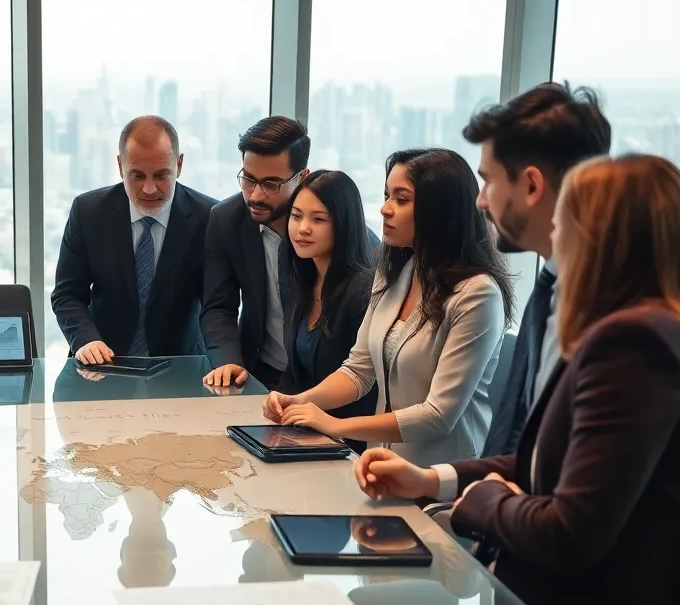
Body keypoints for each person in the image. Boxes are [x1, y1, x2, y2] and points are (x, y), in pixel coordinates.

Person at [293, 153, 680, 605]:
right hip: (532, 603)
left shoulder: (638, 349)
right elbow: (540, 466)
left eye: (566, 226)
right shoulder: (638, 335)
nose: (554, 242)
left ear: (609, 241)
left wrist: (481, 501)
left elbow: (569, 532)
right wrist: (433, 481)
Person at [262, 149, 513, 466]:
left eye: (401, 199)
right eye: (385, 195)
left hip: (443, 475)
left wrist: (335, 426)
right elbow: (358, 371)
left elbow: (439, 415)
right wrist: (299, 402)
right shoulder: (395, 270)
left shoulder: (477, 294)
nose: (384, 209)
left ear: (439, 210)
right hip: (379, 462)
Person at [466, 82, 611, 456]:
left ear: (531, 185)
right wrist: (434, 480)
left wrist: (470, 503)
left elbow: (573, 501)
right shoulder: (554, 288)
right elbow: (526, 454)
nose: (481, 202)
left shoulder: (610, 320)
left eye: (488, 181)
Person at [52, 116, 218, 362]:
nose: (149, 189)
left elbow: (217, 306)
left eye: (161, 175)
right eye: (137, 176)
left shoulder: (209, 218)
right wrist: (85, 340)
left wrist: (222, 358)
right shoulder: (88, 212)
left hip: (181, 366)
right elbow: (67, 295)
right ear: (120, 166)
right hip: (103, 364)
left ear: (179, 164)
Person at [201, 116, 311, 389]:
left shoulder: (328, 221)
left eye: (271, 184)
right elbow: (218, 306)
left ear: (302, 177)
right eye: (248, 179)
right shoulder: (226, 220)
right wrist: (227, 360)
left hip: (323, 376)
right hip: (260, 372)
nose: (255, 196)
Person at [278, 169, 380, 451]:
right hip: (303, 434)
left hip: (350, 442)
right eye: (296, 216)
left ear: (343, 224)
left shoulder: (363, 288)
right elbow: (295, 368)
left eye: (318, 219)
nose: (303, 228)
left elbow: (364, 383)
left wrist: (302, 404)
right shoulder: (299, 274)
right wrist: (280, 400)